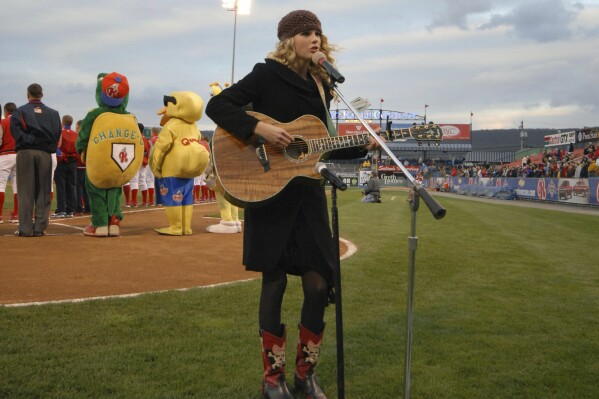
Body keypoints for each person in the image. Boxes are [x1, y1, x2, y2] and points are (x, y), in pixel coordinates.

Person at [206, 10, 379, 399]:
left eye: (318, 32)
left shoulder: (322, 85)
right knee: (276, 281)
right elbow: (218, 108)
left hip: (308, 195)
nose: (314, 38)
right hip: (268, 192)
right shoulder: (265, 74)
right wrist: (259, 127)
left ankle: (305, 374)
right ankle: (273, 379)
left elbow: (320, 145)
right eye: (305, 32)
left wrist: (361, 146)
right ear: (288, 41)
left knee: (319, 282)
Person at [76, 72, 143, 237]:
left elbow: (82, 139)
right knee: (115, 189)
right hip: (121, 164)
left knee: (96, 190)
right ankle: (114, 221)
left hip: (98, 162)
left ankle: (99, 225)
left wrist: (82, 152)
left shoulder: (95, 114)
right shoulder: (130, 117)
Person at [10, 83, 61, 236]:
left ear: (28, 94)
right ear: (41, 95)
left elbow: (17, 133)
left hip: (25, 152)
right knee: (44, 190)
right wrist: (44, 144)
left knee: (25, 191)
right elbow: (56, 134)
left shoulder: (19, 111)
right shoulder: (53, 113)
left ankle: (25, 229)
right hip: (45, 153)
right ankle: (39, 228)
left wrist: (31, 140)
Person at [53, 115, 78, 217]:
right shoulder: (76, 134)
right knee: (71, 185)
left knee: (61, 186)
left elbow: (57, 147)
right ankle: (71, 210)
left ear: (62, 122)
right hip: (73, 162)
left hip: (62, 161)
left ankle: (61, 209)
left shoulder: (60, 133)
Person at [0, 102, 19, 224]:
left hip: (5, 155)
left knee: (0, 185)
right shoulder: (21, 123)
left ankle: (0, 216)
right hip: (19, 155)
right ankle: (16, 215)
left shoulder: (2, 122)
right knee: (17, 186)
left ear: (6, 112)